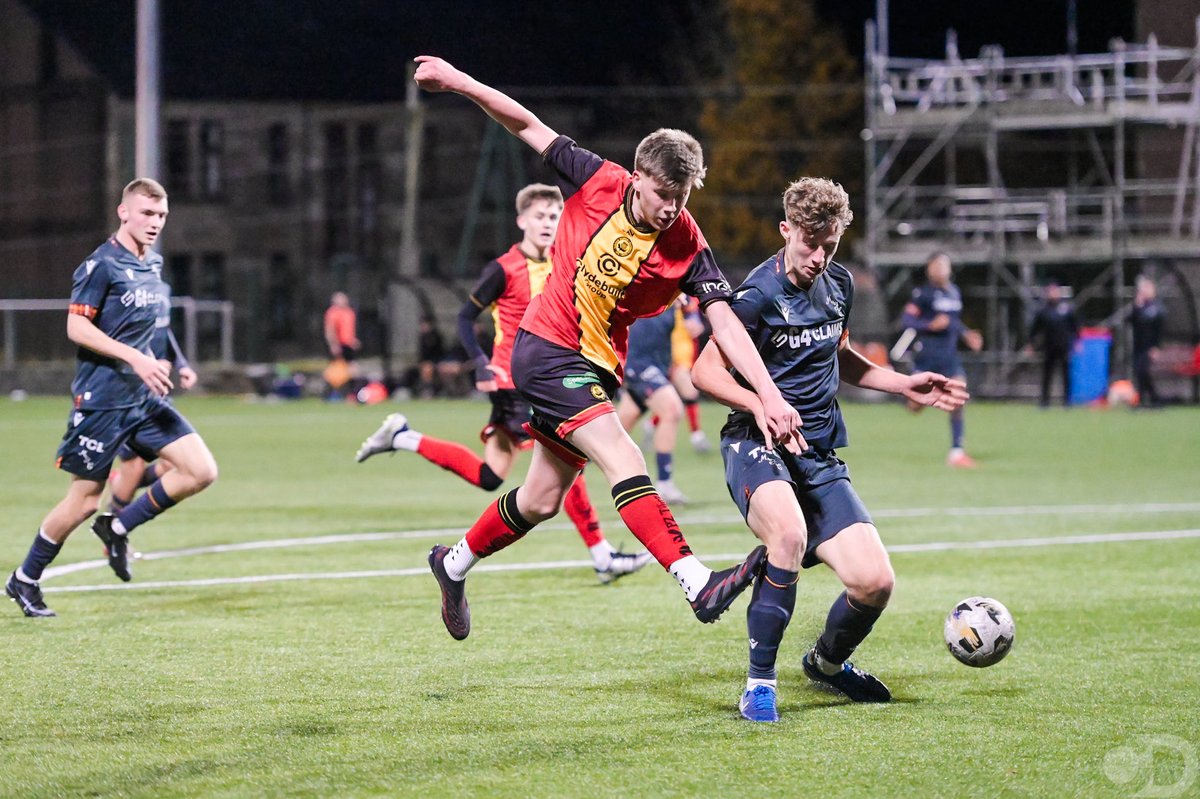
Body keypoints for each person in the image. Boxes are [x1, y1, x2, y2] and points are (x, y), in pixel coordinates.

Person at [411, 55, 803, 641]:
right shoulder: (598, 179)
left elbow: (723, 321)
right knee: (624, 458)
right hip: (546, 349)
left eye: (684, 194)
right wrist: (459, 82)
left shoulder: (689, 244)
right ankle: (697, 582)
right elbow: (524, 123)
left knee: (541, 499)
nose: (673, 206)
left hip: (598, 368)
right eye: (664, 192)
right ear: (639, 176)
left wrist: (766, 395)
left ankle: (454, 563)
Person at [691, 177, 969, 721]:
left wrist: (902, 382)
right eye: (810, 243)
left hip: (817, 454)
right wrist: (762, 404)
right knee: (790, 536)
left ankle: (826, 663)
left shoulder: (838, 283)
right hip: (757, 445)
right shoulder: (755, 297)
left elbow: (838, 355)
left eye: (831, 246)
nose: (819, 257)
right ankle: (759, 685)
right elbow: (702, 371)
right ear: (786, 230)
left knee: (875, 582)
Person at [357, 183, 652, 583]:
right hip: (514, 382)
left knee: (491, 476)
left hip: (548, 377)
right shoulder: (503, 268)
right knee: (565, 461)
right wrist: (479, 363)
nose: (548, 223)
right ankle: (601, 555)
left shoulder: (568, 261)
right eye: (540, 216)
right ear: (521, 221)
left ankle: (403, 436)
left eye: (553, 216)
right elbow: (463, 317)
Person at [5, 178, 219, 617]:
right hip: (102, 401)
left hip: (144, 399)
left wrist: (168, 362)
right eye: (146, 213)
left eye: (161, 215)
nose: (155, 223)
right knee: (84, 500)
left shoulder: (152, 266)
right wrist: (136, 359)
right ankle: (24, 579)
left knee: (200, 471)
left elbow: (156, 325)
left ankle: (119, 526)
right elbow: (77, 328)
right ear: (123, 212)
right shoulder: (99, 265)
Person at [108, 285, 199, 516]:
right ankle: (114, 531)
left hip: (157, 389)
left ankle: (123, 484)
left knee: (176, 464)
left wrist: (181, 365)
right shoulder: (122, 283)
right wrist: (147, 362)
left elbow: (163, 329)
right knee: (134, 464)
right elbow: (118, 334)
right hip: (129, 390)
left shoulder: (162, 286)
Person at [902, 252, 982, 467]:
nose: (940, 269)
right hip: (927, 355)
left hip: (949, 356)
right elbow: (907, 320)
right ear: (929, 268)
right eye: (936, 265)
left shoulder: (954, 293)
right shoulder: (923, 294)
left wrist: (967, 334)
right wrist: (929, 325)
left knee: (959, 396)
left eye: (944, 265)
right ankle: (921, 398)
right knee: (914, 407)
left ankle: (956, 452)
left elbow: (953, 321)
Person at [618, 300, 691, 503]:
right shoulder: (641, 282)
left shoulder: (677, 292)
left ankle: (571, 467)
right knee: (672, 409)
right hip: (637, 362)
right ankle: (665, 484)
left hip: (657, 364)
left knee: (612, 431)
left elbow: (694, 324)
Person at [1027, 282, 1079, 407]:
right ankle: (1045, 402)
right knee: (1047, 375)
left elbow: (1075, 327)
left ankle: (1067, 401)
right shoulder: (1043, 310)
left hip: (1064, 347)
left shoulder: (1067, 309)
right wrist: (1031, 344)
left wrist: (1077, 342)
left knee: (1066, 375)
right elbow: (1035, 329)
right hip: (1049, 347)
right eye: (1050, 292)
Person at [1130, 275, 1165, 408]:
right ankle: (1149, 400)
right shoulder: (1140, 307)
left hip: (1149, 347)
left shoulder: (1157, 308)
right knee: (1140, 373)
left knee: (1143, 371)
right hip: (1138, 346)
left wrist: (1156, 347)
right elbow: (1132, 322)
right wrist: (1136, 306)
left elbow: (1159, 330)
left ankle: (1149, 400)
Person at [324, 291, 361, 394]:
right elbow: (330, 330)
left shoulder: (349, 312)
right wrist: (333, 345)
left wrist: (353, 340)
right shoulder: (332, 312)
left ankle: (354, 393)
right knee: (335, 369)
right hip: (339, 345)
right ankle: (328, 393)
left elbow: (349, 330)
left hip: (348, 345)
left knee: (352, 368)